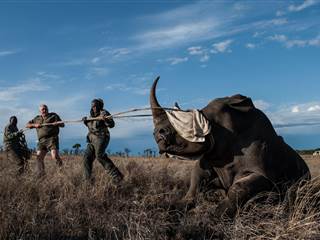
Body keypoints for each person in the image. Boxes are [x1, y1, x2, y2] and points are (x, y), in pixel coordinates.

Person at [82, 98, 123, 184]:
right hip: (91, 139)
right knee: (86, 157)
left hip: (102, 137)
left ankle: (117, 176)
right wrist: (85, 122)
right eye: (93, 106)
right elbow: (91, 127)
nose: (94, 108)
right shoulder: (91, 115)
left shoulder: (104, 113)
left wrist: (106, 120)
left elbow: (112, 124)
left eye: (96, 106)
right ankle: (87, 180)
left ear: (100, 106)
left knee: (99, 155)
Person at [26, 104, 64, 177]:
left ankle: (61, 170)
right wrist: (35, 125)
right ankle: (42, 174)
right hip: (41, 141)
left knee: (54, 156)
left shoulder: (53, 115)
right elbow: (27, 125)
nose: (44, 110)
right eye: (43, 109)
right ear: (40, 111)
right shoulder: (37, 118)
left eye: (45, 109)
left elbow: (63, 124)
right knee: (39, 157)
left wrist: (57, 123)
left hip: (52, 139)